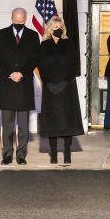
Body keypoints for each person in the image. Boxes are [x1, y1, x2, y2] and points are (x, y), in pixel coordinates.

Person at [0, 7, 40, 165]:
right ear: (11, 18)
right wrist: (10, 73)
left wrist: (22, 73)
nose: (19, 23)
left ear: (25, 19)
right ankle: (7, 154)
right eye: (16, 20)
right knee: (7, 124)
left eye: (21, 21)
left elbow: (35, 59)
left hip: (24, 85)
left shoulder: (33, 36)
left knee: (24, 124)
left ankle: (21, 155)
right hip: (7, 84)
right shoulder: (1, 34)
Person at [38, 15, 84, 165]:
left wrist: (66, 81)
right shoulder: (44, 45)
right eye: (55, 28)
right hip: (50, 88)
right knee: (53, 121)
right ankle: (53, 153)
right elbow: (41, 66)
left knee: (67, 121)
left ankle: (67, 152)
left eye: (60, 27)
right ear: (50, 29)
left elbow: (74, 64)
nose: (58, 30)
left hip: (66, 88)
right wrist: (48, 82)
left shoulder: (68, 43)